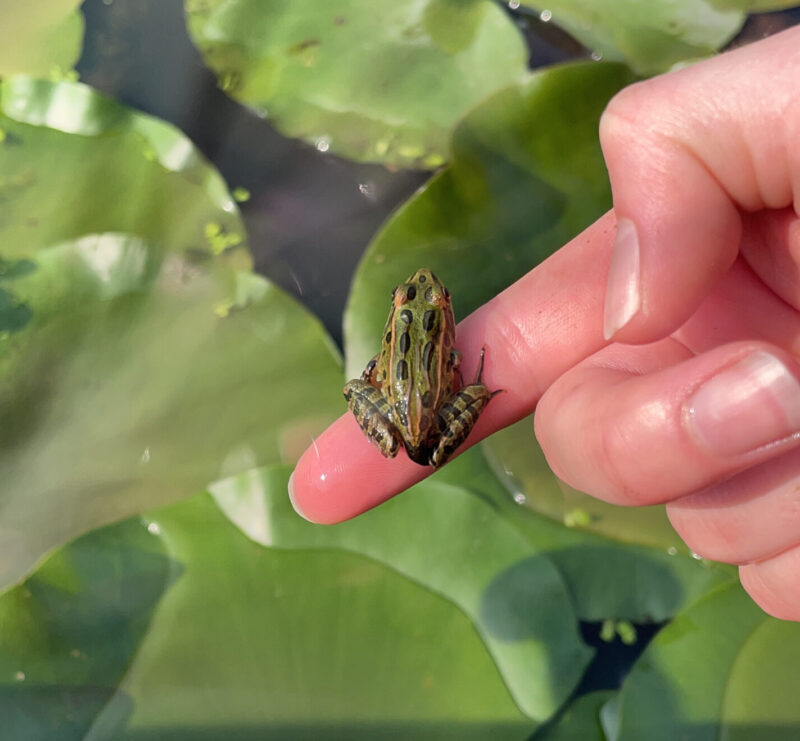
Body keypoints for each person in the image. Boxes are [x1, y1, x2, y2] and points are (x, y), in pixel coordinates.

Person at [290, 25, 800, 622]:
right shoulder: (441, 338)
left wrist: (392, 385)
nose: (426, 295)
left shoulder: (395, 338)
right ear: (434, 313)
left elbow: (383, 372)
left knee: (362, 388)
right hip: (427, 403)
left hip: (403, 410)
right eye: (423, 297)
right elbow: (448, 368)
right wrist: (465, 385)